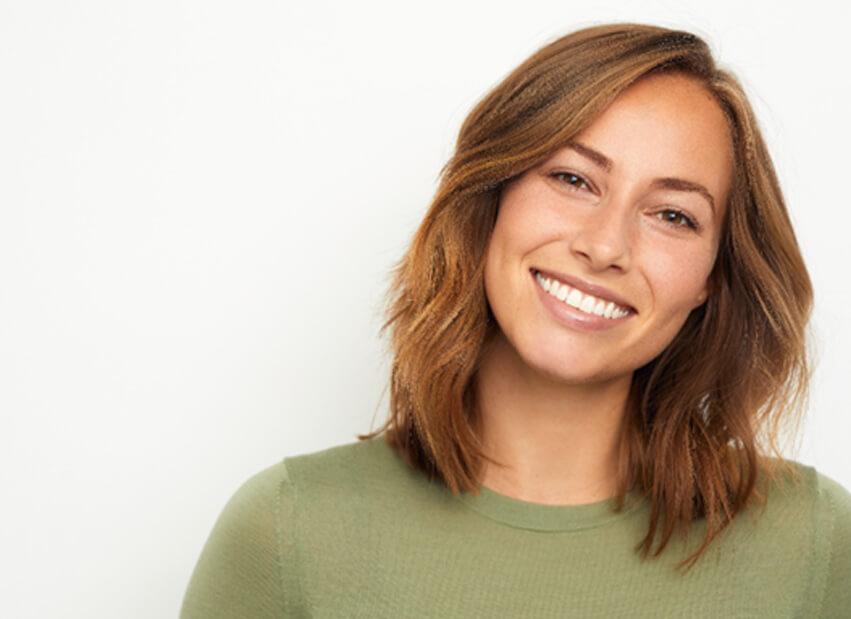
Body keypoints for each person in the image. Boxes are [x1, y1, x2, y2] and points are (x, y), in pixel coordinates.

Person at [180, 23, 851, 618]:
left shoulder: (813, 546)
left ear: (712, 278)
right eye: (572, 179)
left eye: (672, 214)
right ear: (490, 195)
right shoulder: (288, 532)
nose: (604, 245)